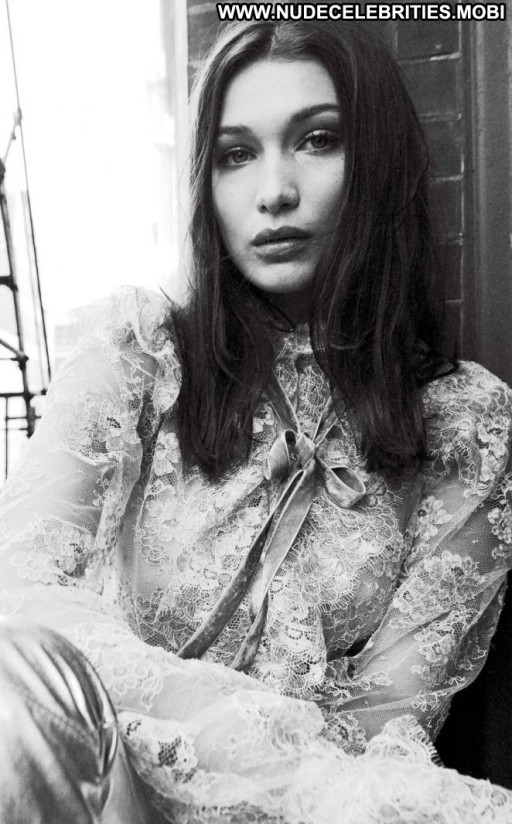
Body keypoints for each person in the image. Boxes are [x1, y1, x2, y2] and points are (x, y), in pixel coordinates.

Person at [0, 18, 511, 824]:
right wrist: (223, 729)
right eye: (236, 153)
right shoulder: (134, 355)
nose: (274, 190)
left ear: (376, 161)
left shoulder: (465, 423)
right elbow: (18, 598)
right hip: (101, 786)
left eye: (317, 140)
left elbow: (389, 722)